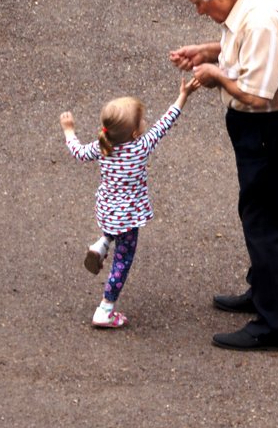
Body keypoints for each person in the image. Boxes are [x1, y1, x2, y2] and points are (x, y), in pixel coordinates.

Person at [171, 0, 278, 351]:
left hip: (271, 127)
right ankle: (273, 289)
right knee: (274, 207)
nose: (201, 12)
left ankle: (272, 326)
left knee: (262, 220)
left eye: (201, 4)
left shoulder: (260, 22)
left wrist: (215, 75)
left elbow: (255, 94)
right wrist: (209, 52)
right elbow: (245, 53)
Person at [59, 74, 200, 328]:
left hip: (107, 210)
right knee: (123, 261)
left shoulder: (103, 147)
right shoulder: (142, 146)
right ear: (135, 132)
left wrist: (69, 130)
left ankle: (102, 243)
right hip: (129, 217)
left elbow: (78, 152)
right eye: (142, 120)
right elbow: (166, 122)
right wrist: (183, 95)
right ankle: (105, 309)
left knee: (113, 228)